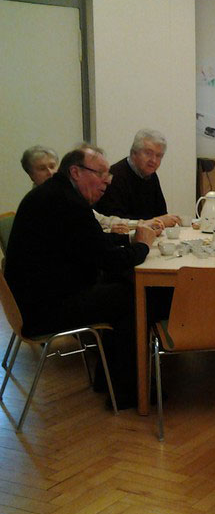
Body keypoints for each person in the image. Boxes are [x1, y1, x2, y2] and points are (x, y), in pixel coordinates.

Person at [5, 146, 156, 407]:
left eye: (108, 175)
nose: (107, 181)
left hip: (34, 300)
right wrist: (142, 246)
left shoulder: (56, 194)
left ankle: (109, 380)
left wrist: (129, 239)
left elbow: (91, 242)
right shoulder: (67, 203)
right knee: (131, 297)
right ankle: (128, 392)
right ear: (75, 172)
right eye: (100, 173)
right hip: (44, 310)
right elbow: (107, 258)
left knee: (117, 286)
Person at [20, 145, 162, 236]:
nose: (50, 172)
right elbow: (91, 243)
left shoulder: (64, 193)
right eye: (42, 169)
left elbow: (102, 221)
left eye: (52, 166)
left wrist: (142, 224)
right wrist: (141, 242)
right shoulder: (51, 200)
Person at [95, 128, 180, 227]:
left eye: (158, 156)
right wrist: (155, 221)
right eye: (148, 153)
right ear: (134, 153)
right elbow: (116, 222)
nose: (153, 160)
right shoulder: (115, 176)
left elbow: (161, 213)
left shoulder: (151, 175)